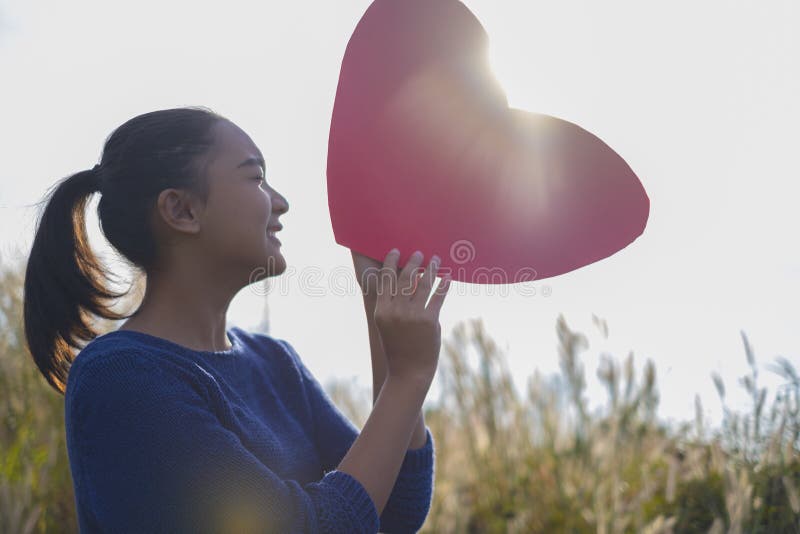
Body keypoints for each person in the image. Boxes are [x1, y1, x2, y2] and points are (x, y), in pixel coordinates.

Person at [22, 107, 452, 533]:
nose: (281, 203)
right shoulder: (123, 380)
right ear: (181, 210)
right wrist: (408, 377)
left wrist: (380, 308)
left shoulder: (274, 362)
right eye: (256, 177)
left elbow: (393, 509)